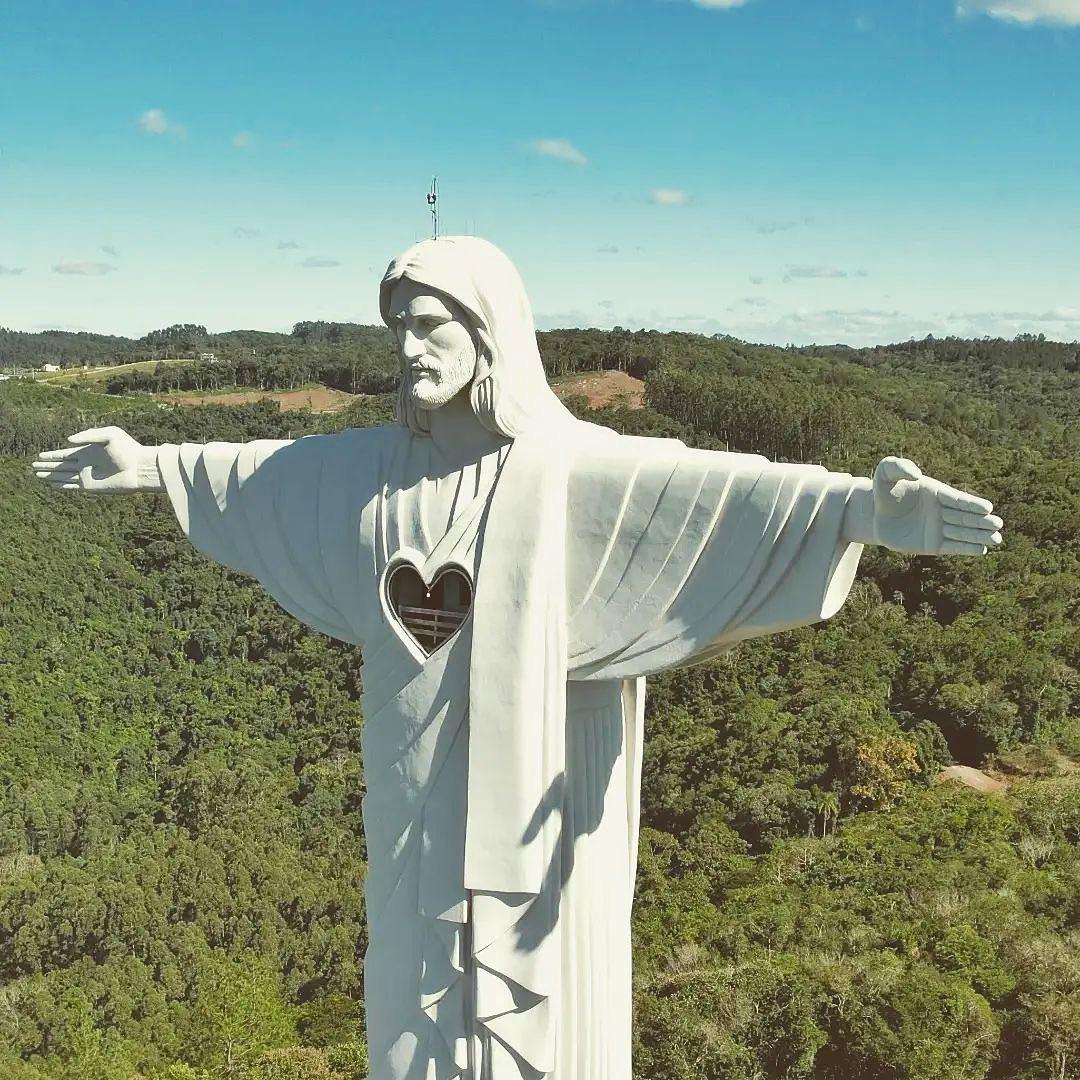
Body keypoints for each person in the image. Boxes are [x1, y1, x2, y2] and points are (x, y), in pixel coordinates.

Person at [33, 236, 1003, 1079]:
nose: (411, 348)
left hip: (547, 806)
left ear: (491, 334)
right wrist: (152, 464)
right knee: (413, 997)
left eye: (434, 326)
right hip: (410, 806)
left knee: (544, 1018)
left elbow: (718, 492)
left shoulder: (565, 467)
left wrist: (866, 512)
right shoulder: (366, 471)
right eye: (400, 328)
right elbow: (264, 468)